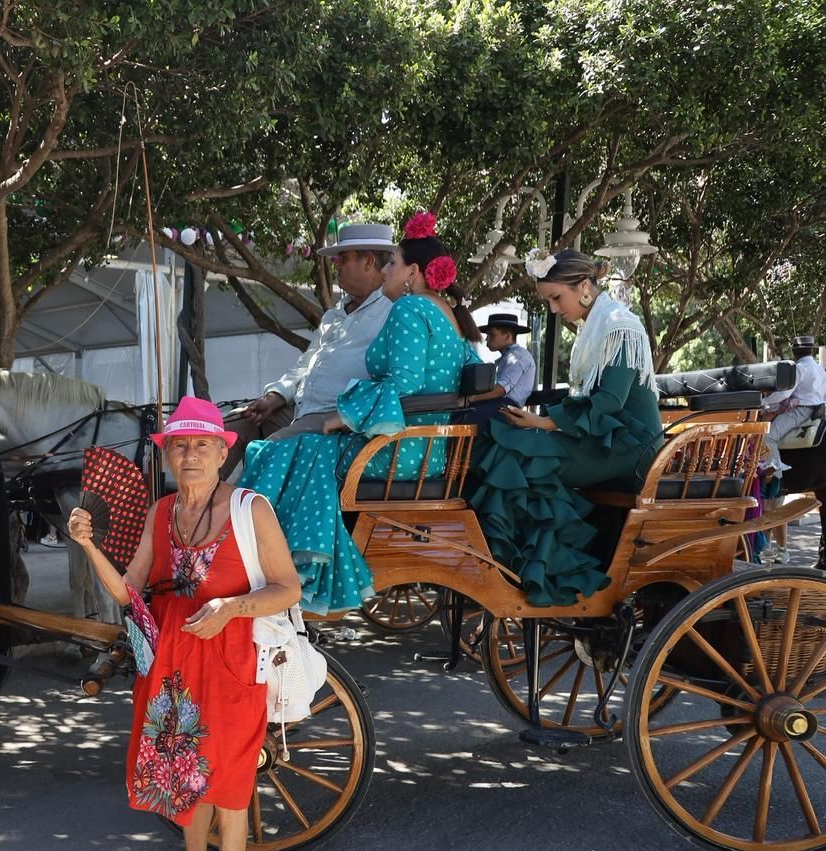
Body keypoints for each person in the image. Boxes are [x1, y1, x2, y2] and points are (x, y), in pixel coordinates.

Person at [66, 397, 301, 851]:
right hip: (171, 663)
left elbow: (288, 588)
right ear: (168, 455)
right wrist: (88, 546)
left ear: (223, 452)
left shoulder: (250, 509)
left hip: (232, 661)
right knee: (183, 775)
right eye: (179, 445)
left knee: (230, 784)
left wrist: (231, 607)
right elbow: (128, 592)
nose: (190, 454)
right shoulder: (162, 511)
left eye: (201, 444)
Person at [236, 211, 480, 614]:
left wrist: (345, 416)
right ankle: (276, 562)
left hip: (397, 448)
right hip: (421, 448)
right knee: (291, 449)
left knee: (281, 454)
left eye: (392, 263)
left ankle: (275, 568)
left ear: (412, 272)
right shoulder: (447, 315)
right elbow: (475, 378)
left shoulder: (408, 308)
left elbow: (405, 384)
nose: (386, 271)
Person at [469, 249, 663, 606]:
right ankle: (531, 567)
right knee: (507, 447)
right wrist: (544, 425)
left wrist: (545, 422)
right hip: (602, 438)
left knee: (522, 457)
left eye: (556, 298)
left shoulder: (620, 325)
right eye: (548, 301)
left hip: (630, 447)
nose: (554, 309)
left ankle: (551, 572)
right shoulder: (596, 326)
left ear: (584, 286)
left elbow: (609, 401)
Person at [226, 223, 396, 472]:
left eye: (343, 258)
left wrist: (348, 416)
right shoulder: (333, 315)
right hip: (301, 410)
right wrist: (276, 396)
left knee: (264, 454)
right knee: (226, 431)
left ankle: (241, 498)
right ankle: (198, 497)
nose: (336, 265)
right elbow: (306, 364)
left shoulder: (393, 312)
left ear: (368, 262)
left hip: (337, 420)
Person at [760, 335, 826, 476]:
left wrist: (763, 402)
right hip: (818, 410)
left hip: (800, 411)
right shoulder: (820, 369)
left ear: (795, 352)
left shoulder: (799, 368)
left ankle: (775, 474)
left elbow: (783, 394)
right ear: (812, 351)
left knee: (767, 437)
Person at [457, 312, 537, 424]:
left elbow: (501, 390)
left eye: (492, 335)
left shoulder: (518, 356)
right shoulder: (509, 356)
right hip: (499, 405)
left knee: (461, 420)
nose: (487, 339)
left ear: (508, 336)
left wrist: (470, 399)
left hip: (507, 408)